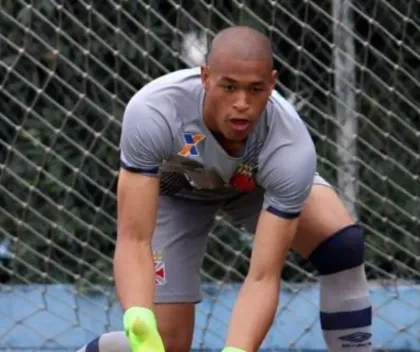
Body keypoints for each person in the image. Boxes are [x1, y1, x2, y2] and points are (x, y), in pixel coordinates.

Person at [77, 26, 372, 352]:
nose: (242, 103)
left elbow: (262, 277)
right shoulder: (155, 111)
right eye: (228, 87)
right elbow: (134, 239)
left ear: (273, 84)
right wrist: (138, 314)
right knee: (165, 343)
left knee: (342, 245)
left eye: (256, 89)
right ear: (205, 77)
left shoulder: (289, 147)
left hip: (252, 185)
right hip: (176, 188)